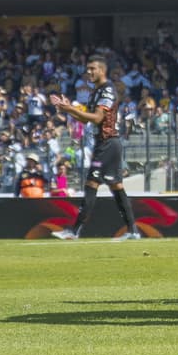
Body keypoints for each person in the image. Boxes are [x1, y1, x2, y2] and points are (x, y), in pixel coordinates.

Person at [48, 55, 141, 241]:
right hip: (106, 143)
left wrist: (70, 109)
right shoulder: (96, 91)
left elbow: (98, 118)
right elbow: (85, 119)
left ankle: (74, 231)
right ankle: (133, 231)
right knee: (116, 186)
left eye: (92, 69)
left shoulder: (107, 91)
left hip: (108, 142)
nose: (88, 72)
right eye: (87, 69)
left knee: (91, 183)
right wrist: (68, 109)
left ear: (102, 70)